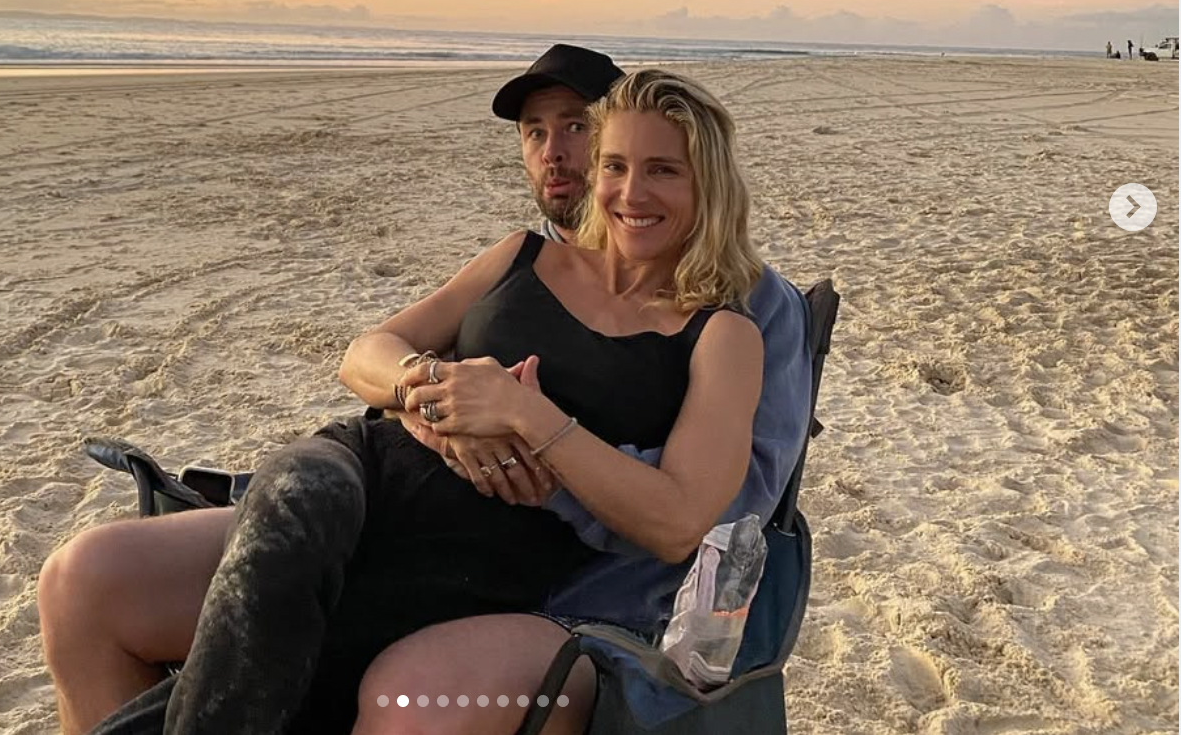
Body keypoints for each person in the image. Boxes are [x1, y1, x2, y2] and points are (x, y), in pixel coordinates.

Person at [39, 48, 811, 735]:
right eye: (615, 163)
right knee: (94, 578)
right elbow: (369, 349)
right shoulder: (521, 256)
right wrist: (432, 392)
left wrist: (523, 415)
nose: (627, 189)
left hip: (484, 565)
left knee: (340, 665)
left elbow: (685, 520)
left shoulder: (731, 329)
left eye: (663, 169)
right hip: (364, 470)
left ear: (706, 183)